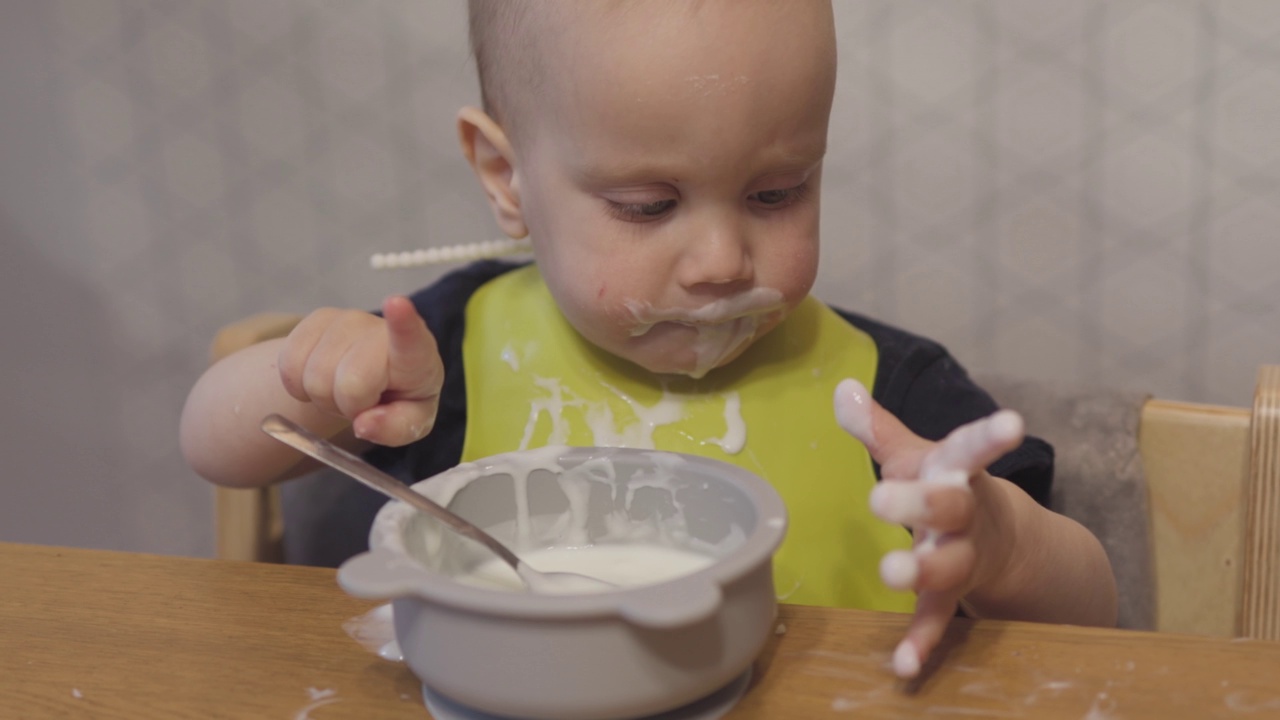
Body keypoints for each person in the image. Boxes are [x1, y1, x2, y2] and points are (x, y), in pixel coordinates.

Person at [180, 0, 1117, 678]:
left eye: (775, 193)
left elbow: (1096, 614)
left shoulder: (890, 394)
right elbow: (213, 446)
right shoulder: (447, 350)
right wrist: (321, 384)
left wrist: (1001, 544)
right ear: (507, 177)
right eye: (647, 206)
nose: (718, 260)